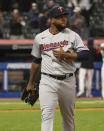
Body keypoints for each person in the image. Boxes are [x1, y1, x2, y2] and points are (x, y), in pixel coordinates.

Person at [26, 6, 89, 131]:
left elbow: (86, 54)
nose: (64, 19)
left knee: (68, 118)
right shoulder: (40, 38)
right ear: (52, 19)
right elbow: (36, 61)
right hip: (47, 81)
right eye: (60, 17)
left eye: (65, 16)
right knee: (46, 115)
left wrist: (67, 55)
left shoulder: (72, 35)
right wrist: (31, 82)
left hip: (68, 80)